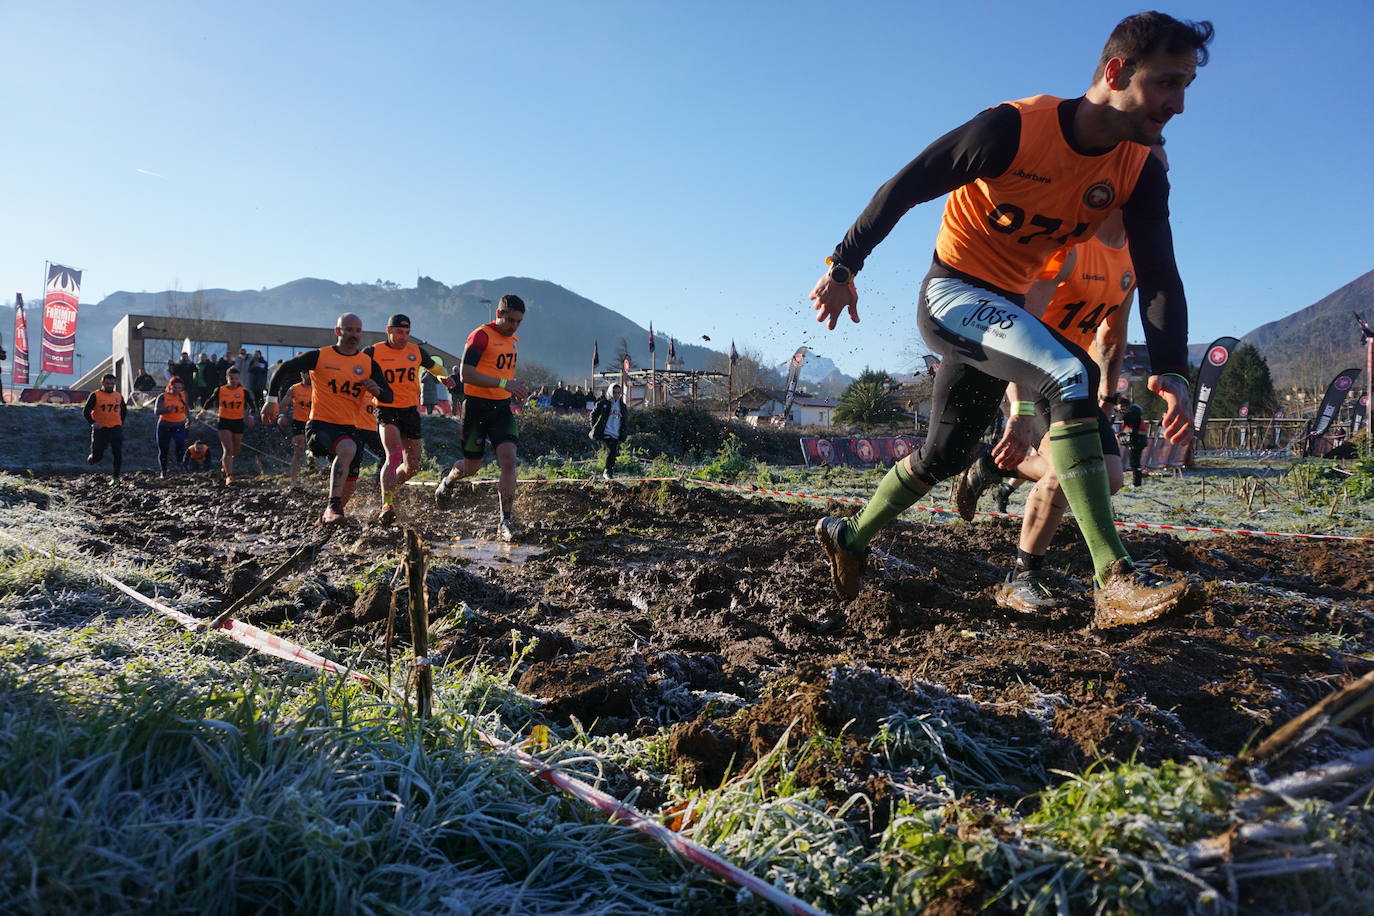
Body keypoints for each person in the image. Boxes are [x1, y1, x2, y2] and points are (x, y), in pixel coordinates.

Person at [808, 12, 1210, 625]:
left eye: (1186, 86)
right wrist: (843, 267)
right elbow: (905, 185)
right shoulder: (1013, 129)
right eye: (1166, 83)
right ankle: (1115, 579)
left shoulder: (1140, 168)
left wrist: (1174, 368)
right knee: (1066, 370)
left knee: (944, 455)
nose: (1178, 104)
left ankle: (849, 537)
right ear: (1115, 71)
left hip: (1007, 309)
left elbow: (1159, 273)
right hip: (953, 294)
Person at [953, 205, 1138, 613]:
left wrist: (1106, 395)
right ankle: (1022, 579)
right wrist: (1018, 407)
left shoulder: (1131, 259)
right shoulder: (1073, 246)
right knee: (1066, 471)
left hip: (1078, 381)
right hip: (1033, 372)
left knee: (1109, 476)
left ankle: (997, 466)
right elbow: (1017, 325)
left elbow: (1111, 336)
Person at [264, 313, 393, 524]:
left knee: (351, 480)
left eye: (358, 330)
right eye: (348, 329)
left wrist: (377, 390)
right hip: (320, 425)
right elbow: (284, 369)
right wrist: (271, 400)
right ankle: (333, 508)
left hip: (350, 429)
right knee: (347, 449)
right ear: (337, 331)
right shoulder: (320, 356)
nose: (353, 334)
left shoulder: (368, 364)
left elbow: (389, 396)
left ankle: (330, 515)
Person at [434, 294, 531, 541]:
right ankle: (447, 480)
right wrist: (504, 383)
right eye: (510, 320)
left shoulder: (512, 340)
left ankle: (505, 520)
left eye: (519, 321)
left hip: (501, 409)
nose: (514, 326)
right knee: (471, 467)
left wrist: (515, 388)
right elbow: (466, 374)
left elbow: (503, 372)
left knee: (509, 460)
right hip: (476, 409)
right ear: (498, 314)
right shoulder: (481, 335)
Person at [363, 314, 450, 525]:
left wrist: (443, 377)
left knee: (412, 467)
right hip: (386, 408)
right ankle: (387, 505)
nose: (403, 337)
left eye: (407, 332)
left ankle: (390, 490)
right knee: (392, 456)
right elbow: (355, 371)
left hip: (410, 411)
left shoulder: (416, 351)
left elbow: (434, 367)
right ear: (389, 331)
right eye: (399, 332)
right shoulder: (373, 351)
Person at [199, 366, 260, 486]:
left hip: (238, 422)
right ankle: (229, 476)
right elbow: (209, 401)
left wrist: (251, 416)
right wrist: (202, 412)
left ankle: (224, 466)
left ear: (239, 379)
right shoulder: (220, 390)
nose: (234, 381)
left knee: (235, 451)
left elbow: (253, 407)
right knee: (228, 449)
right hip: (224, 421)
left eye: (236, 378)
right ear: (227, 378)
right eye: (231, 378)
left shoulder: (243, 391)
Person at [82, 373, 127, 483]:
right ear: (102, 383)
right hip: (100, 429)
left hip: (115, 428)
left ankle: (116, 478)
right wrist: (93, 422)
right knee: (98, 455)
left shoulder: (118, 396)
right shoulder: (96, 395)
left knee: (118, 453)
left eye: (112, 383)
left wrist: (120, 422)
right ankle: (93, 458)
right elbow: (86, 411)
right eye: (107, 383)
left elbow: (124, 410)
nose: (110, 386)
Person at [589, 383, 630, 480]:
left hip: (616, 433)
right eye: (614, 392)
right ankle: (607, 472)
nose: (616, 395)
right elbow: (593, 415)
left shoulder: (622, 406)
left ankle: (609, 472)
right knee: (611, 451)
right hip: (606, 432)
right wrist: (595, 427)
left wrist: (623, 432)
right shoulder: (603, 403)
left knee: (613, 453)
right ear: (610, 392)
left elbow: (625, 420)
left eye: (618, 393)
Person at [154, 377, 191, 478]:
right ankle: (164, 471)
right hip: (164, 426)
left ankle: (180, 463)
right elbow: (157, 411)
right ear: (170, 386)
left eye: (179, 388)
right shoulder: (162, 396)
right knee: (164, 449)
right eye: (175, 387)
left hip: (179, 425)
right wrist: (167, 409)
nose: (177, 390)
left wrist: (189, 419)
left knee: (180, 443)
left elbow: (186, 408)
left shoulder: (183, 395)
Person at [281, 371, 313, 487]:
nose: (309, 377)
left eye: (311, 374)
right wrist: (281, 416)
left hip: (314, 422)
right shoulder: (294, 389)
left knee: (321, 449)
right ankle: (294, 481)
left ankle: (314, 468)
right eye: (306, 374)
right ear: (302, 375)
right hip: (299, 423)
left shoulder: (319, 388)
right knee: (299, 451)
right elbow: (284, 404)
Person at [1121, 399, 1148, 486]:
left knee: (1134, 463)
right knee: (1135, 462)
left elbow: (1129, 421)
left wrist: (1122, 413)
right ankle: (1137, 481)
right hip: (1137, 440)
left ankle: (1136, 482)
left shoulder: (1133, 412)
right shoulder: (1136, 412)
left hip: (1135, 441)